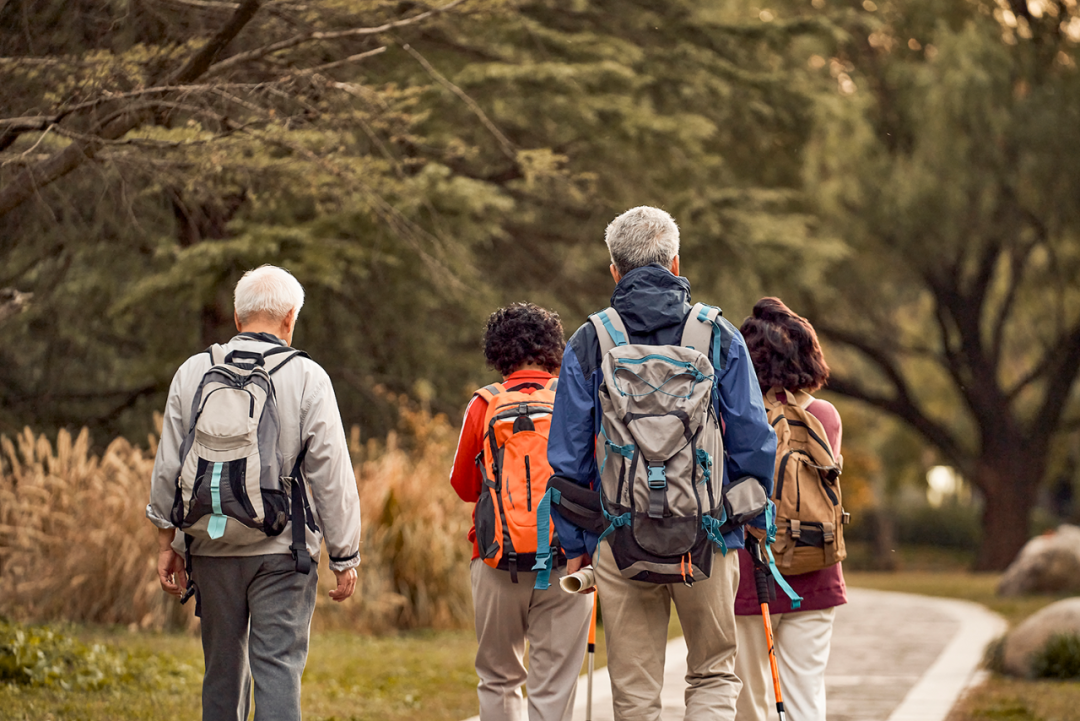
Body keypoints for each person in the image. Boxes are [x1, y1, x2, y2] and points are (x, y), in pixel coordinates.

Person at [546, 206, 777, 720]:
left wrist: (579, 545)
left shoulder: (591, 340)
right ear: (676, 263)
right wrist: (749, 524)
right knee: (714, 672)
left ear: (614, 270)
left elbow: (566, 457)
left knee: (634, 692)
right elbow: (755, 443)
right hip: (708, 538)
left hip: (619, 536)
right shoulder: (717, 336)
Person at [146, 265, 362, 721]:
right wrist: (345, 555)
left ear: (239, 320)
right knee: (278, 669)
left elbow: (169, 465)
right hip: (285, 550)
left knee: (221, 674)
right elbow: (331, 473)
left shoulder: (194, 371)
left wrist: (169, 544)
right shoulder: (307, 376)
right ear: (290, 318)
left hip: (210, 546)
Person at [450, 302, 591, 721]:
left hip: (496, 558)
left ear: (498, 352)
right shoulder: (572, 399)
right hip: (567, 559)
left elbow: (463, 486)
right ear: (553, 349)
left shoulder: (483, 404)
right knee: (554, 683)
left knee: (498, 677)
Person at [733, 297, 847, 721]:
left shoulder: (734, 417)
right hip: (814, 568)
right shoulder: (824, 415)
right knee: (805, 694)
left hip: (748, 575)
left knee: (753, 702)